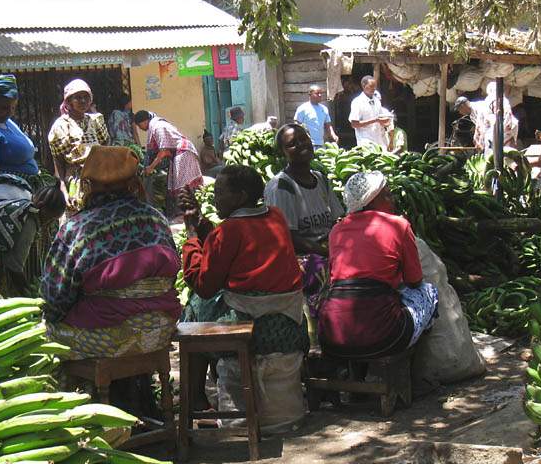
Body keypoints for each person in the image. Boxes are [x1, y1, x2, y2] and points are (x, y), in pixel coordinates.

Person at [179, 165, 309, 432]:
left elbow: (203, 284)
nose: (215, 198)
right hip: (286, 326)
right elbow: (232, 242)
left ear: (239, 196)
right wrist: (202, 224)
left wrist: (192, 236)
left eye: (220, 193)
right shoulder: (276, 217)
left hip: (251, 329)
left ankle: (195, 400)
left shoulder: (226, 232)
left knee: (193, 306)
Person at [41, 146, 181, 361]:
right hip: (159, 330)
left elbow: (55, 297)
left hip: (106, 338)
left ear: (88, 185)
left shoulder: (76, 228)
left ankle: (84, 391)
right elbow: (172, 275)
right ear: (133, 184)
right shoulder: (157, 218)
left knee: (45, 334)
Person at [318, 171, 438, 361]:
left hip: (332, 338)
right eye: (387, 195)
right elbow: (414, 281)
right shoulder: (399, 225)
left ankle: (356, 374)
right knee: (429, 292)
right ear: (371, 200)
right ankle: (420, 371)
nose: (393, 200)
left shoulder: (337, 231)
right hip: (386, 337)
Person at [264, 123, 345, 318]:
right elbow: (287, 237)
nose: (301, 145)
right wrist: (327, 251)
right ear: (283, 152)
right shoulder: (282, 187)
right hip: (302, 258)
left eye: (303, 139)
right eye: (292, 144)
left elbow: (337, 219)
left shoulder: (320, 179)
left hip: (326, 250)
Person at [48, 79, 111, 213]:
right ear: (69, 101)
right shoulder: (61, 127)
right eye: (78, 98)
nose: (83, 101)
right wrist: (63, 190)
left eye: (86, 97)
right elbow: (58, 162)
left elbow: (105, 146)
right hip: (76, 182)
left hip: (99, 180)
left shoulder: (96, 121)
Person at [133, 110, 203, 216]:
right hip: (178, 154)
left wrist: (151, 167)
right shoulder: (156, 126)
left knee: (183, 185)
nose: (140, 128)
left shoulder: (158, 127)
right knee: (176, 184)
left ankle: (189, 213)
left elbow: (164, 151)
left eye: (139, 125)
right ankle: (187, 212)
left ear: (144, 122)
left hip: (183, 153)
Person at [348, 76, 390, 148]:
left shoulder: (377, 100)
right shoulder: (357, 102)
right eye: (371, 86)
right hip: (366, 142)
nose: (373, 89)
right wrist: (375, 120)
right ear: (363, 86)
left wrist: (385, 121)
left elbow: (381, 118)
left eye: (375, 86)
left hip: (379, 141)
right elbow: (354, 124)